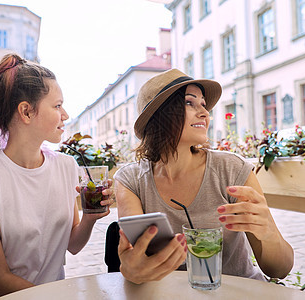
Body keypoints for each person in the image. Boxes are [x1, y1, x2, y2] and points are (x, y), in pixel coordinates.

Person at [0, 53, 114, 299]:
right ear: (26, 111)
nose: (65, 115)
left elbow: (73, 245)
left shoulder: (66, 166)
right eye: (57, 106)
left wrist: (91, 216)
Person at [114, 69, 294, 284]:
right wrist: (133, 270)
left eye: (203, 104)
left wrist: (269, 233)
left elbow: (279, 270)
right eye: (190, 103)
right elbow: (137, 259)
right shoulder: (130, 180)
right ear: (159, 115)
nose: (204, 112)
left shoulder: (231, 169)